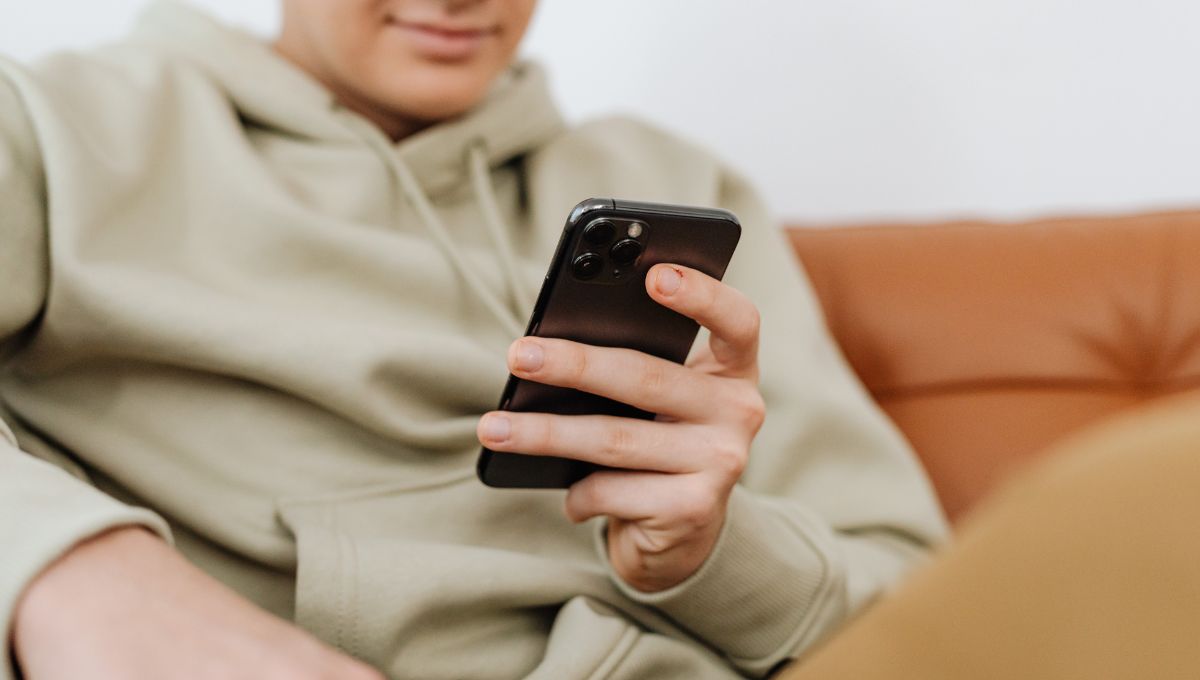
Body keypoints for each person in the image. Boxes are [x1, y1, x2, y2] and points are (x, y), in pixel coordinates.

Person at [0, 1, 947, 678]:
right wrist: (77, 569)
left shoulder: (675, 183)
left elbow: (924, 604)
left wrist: (709, 555)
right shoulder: (55, 126)